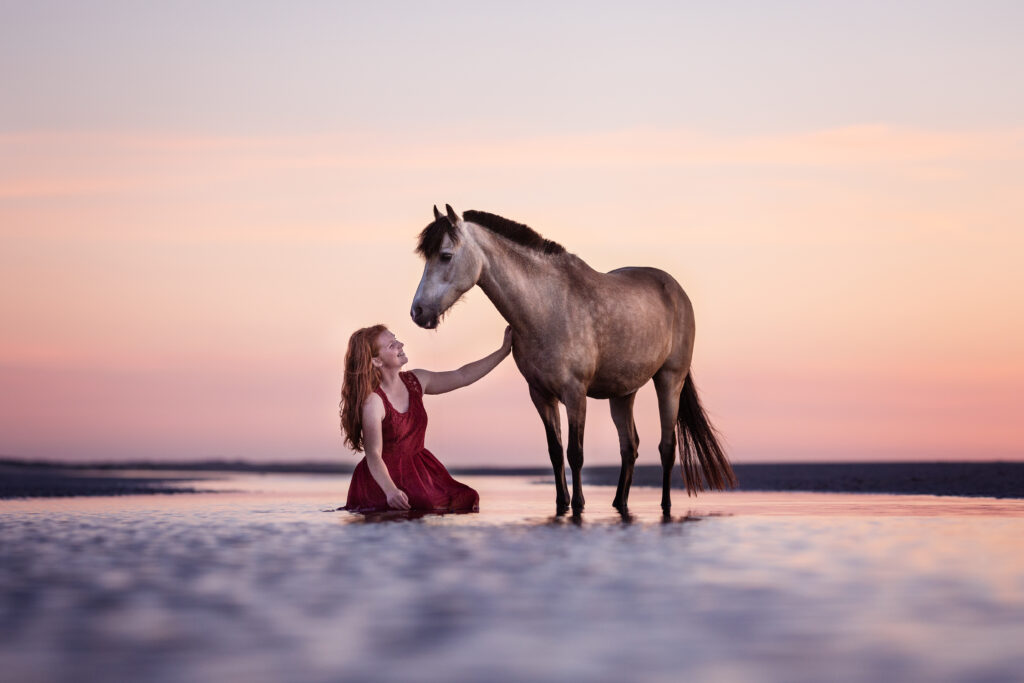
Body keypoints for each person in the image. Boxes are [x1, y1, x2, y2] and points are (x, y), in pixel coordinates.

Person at [339, 324, 512, 513]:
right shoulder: (373, 401)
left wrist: (503, 351)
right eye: (391, 345)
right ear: (377, 361)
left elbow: (462, 375)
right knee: (420, 508)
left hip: (420, 470)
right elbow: (373, 454)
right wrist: (390, 491)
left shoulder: (417, 380)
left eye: (396, 339)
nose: (401, 344)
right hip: (383, 481)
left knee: (466, 497)